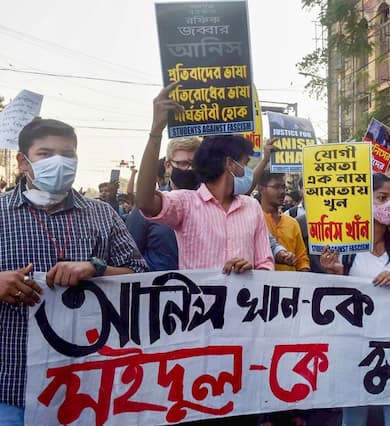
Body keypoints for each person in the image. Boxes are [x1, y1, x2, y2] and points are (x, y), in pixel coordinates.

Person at [0, 118, 147, 423]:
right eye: (45, 154)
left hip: (90, 389)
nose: (59, 163)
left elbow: (139, 275)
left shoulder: (102, 213)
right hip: (11, 386)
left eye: (67, 155)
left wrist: (96, 268)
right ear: (23, 162)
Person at [136, 83, 273, 273]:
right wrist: (156, 132)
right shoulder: (186, 204)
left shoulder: (252, 207)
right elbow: (145, 202)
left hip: (245, 294)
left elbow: (265, 263)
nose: (249, 172)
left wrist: (252, 272)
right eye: (246, 163)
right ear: (230, 164)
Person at [320, 173, 390, 426]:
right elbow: (334, 299)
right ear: (364, 200)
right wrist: (335, 274)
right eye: (382, 198)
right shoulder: (343, 245)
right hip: (355, 342)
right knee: (354, 415)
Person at [258, 170, 310, 272]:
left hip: (290, 281)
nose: (282, 192)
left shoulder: (292, 223)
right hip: (261, 280)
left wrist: (304, 274)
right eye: (276, 187)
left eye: (283, 187)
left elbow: (302, 259)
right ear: (261, 188)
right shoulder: (254, 220)